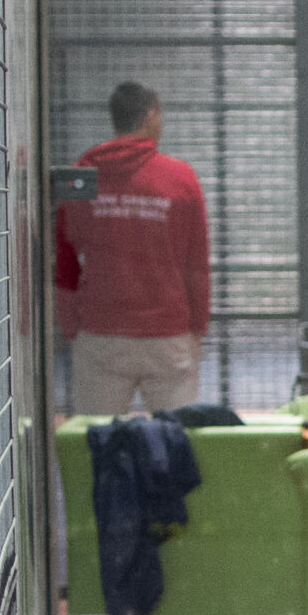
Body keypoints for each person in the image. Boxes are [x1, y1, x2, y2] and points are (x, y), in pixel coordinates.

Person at [57, 81, 210, 416]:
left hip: (101, 333)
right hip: (167, 334)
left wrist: (69, 323)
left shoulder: (83, 175)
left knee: (98, 436)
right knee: (176, 437)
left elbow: (64, 256)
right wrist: (198, 325)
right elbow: (196, 262)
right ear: (151, 115)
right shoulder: (181, 178)